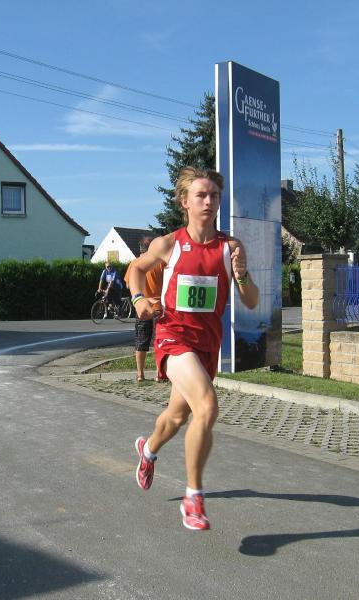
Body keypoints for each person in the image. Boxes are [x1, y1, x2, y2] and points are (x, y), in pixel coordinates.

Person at [127, 166, 259, 531]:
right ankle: (193, 498)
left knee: (176, 418)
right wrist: (139, 299)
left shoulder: (230, 248)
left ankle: (148, 450)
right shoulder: (168, 244)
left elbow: (250, 301)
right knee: (207, 406)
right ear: (184, 202)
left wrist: (243, 275)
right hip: (173, 338)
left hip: (206, 345)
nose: (209, 201)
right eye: (201, 195)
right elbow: (135, 269)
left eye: (214, 195)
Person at [124, 236, 164, 382]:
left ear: (140, 248)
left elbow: (128, 285)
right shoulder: (160, 263)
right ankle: (159, 373)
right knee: (159, 341)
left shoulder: (134, 264)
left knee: (141, 340)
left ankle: (140, 374)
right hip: (159, 307)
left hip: (141, 308)